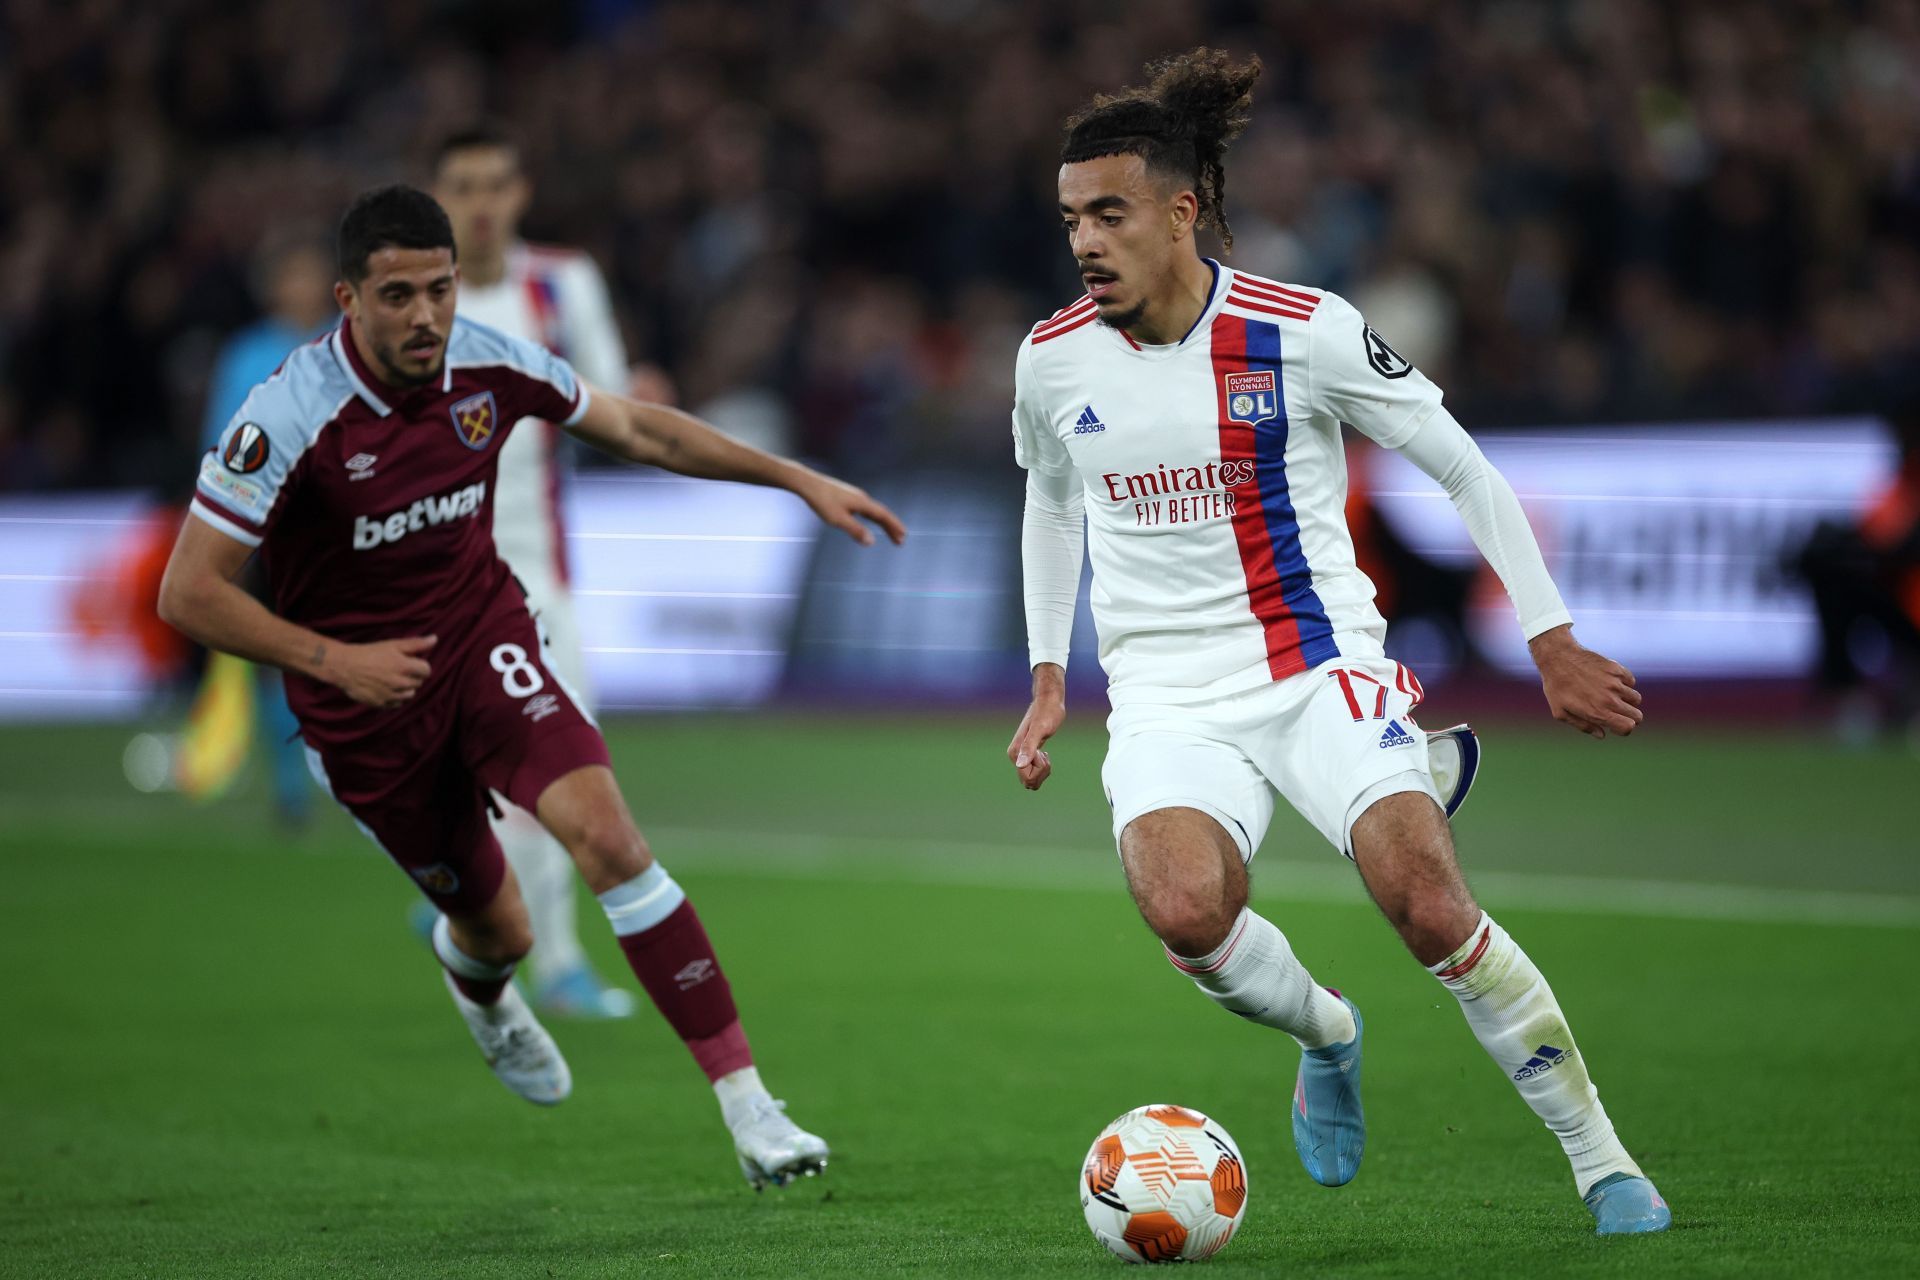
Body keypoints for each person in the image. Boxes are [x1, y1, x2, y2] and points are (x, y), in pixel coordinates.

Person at [1004, 50, 1669, 1236]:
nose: (1086, 242)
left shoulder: (1301, 330)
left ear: (1179, 208)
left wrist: (1550, 635)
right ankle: (1329, 1029)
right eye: (1070, 220)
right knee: (1183, 908)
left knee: (1421, 896)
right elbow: (1052, 500)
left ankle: (1603, 1158)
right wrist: (1050, 669)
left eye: (1109, 213)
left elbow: (1459, 462)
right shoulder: (1052, 359)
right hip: (1164, 696)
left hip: (1315, 665)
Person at [159, 185, 905, 1188]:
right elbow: (188, 591)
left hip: (483, 640)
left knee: (608, 834)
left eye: (439, 289)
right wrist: (338, 661)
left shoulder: (491, 362)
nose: (425, 316)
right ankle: (484, 993)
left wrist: (794, 476)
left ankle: (751, 1108)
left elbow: (642, 430)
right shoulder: (288, 417)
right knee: (497, 926)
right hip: (362, 708)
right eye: (396, 295)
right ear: (347, 298)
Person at [428, 123, 634, 1018]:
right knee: (436, 785)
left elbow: (614, 401)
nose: (481, 203)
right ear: (439, 198)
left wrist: (638, 405)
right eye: (463, 185)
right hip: (424, 587)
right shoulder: (411, 300)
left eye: (496, 183)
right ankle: (465, 897)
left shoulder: (562, 283)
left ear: (520, 194)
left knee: (561, 768)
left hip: (534, 584)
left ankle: (555, 962)